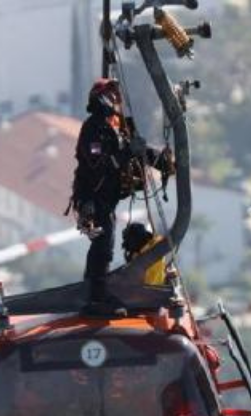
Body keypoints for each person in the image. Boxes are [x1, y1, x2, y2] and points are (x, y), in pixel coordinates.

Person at [69, 78, 173, 315]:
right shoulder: (94, 129)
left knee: (105, 245)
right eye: (114, 96)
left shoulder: (113, 126)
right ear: (103, 99)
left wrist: (160, 161)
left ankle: (98, 293)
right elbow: (99, 165)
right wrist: (128, 152)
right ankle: (95, 297)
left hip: (107, 197)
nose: (118, 101)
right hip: (94, 198)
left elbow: (135, 150)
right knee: (102, 247)